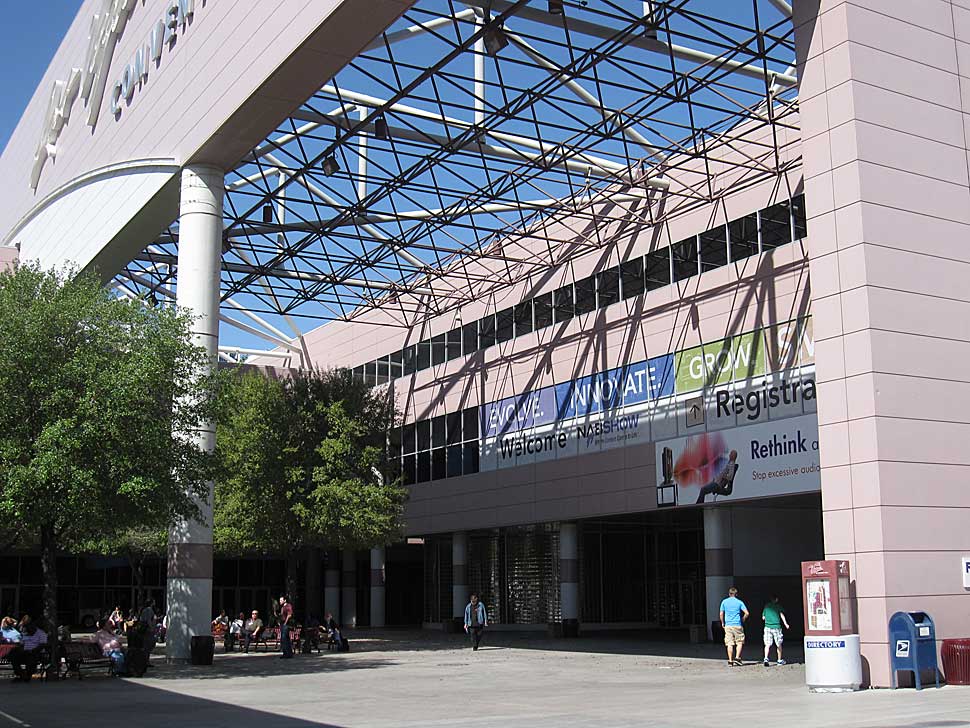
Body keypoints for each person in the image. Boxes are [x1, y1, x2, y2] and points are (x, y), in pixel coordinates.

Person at [719, 586, 749, 666]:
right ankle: (737, 657)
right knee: (739, 642)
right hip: (737, 624)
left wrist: (722, 622)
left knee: (729, 643)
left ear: (729, 594)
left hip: (728, 625)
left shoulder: (724, 602)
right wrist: (743, 619)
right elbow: (747, 613)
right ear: (736, 594)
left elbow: (721, 614)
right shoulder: (739, 602)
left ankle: (730, 661)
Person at [14, 616, 48, 682]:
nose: (26, 629)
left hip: (36, 653)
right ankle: (22, 675)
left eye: (28, 628)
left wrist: (33, 650)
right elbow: (21, 644)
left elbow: (42, 645)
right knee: (13, 656)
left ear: (33, 627)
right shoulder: (25, 633)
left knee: (31, 657)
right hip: (25, 652)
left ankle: (27, 675)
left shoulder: (41, 633)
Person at [762, 595, 790, 666]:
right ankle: (779, 660)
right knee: (778, 644)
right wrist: (786, 624)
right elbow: (782, 615)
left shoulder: (766, 606)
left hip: (767, 627)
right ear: (776, 599)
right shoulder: (778, 606)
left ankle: (766, 658)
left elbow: (763, 617)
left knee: (767, 644)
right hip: (776, 627)